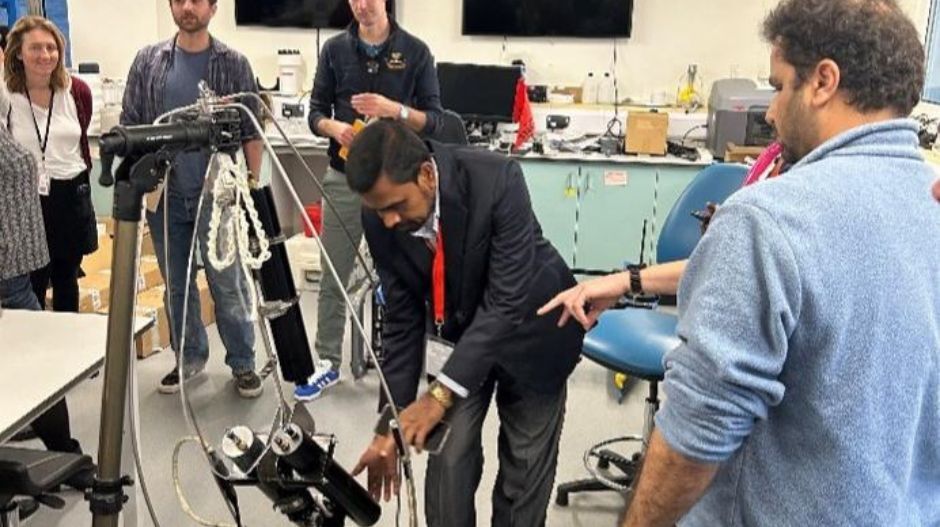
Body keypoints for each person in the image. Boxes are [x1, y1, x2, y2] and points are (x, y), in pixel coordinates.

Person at [555, 1, 940, 525]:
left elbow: (694, 441)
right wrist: (631, 280)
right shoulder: (929, 202)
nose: (771, 112)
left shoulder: (768, 216)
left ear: (823, 82)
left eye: (779, 86)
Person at [347, 120, 583, 527]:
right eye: (378, 209)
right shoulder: (380, 216)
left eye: (396, 206)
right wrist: (391, 423)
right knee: (448, 465)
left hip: (532, 331)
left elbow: (505, 303)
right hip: (457, 341)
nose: (387, 221)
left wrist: (438, 396)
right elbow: (402, 319)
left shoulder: (497, 180)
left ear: (426, 175)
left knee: (524, 470)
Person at [121, 0, 264, 397]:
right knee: (178, 285)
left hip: (218, 194)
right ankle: (189, 357)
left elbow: (252, 131)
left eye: (197, 0)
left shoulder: (234, 64)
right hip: (166, 196)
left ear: (213, 8)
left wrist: (250, 185)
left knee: (228, 283)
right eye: (179, 0)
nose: (187, 7)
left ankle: (243, 362)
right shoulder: (148, 62)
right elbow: (131, 124)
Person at [301, 0, 444, 400]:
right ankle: (327, 361)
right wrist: (335, 128)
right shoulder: (334, 50)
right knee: (334, 273)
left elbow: (435, 120)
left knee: (410, 274)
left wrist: (394, 110)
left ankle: (418, 361)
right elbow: (314, 114)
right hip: (345, 178)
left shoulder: (415, 51)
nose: (362, 5)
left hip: (400, 185)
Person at [0, 101, 94, 494]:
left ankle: (65, 454)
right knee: (37, 359)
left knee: (34, 361)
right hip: (8, 271)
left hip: (16, 266)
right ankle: (66, 454)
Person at [2, 16, 97, 313]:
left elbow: (81, 136)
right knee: (33, 282)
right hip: (26, 201)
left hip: (71, 195)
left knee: (67, 278)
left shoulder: (76, 91)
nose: (45, 55)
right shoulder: (6, 94)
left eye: (51, 47)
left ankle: (69, 338)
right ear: (18, 52)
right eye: (35, 48)